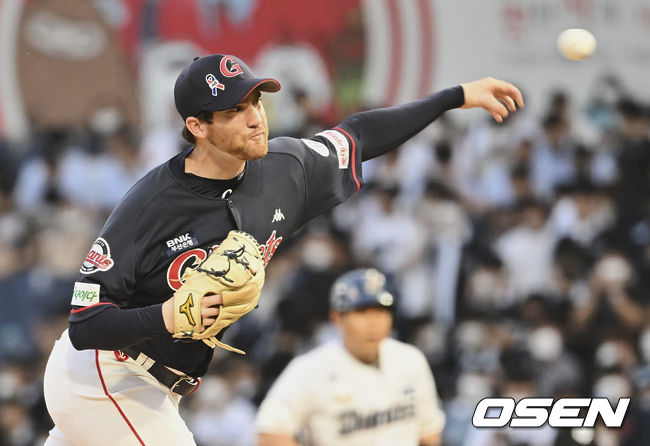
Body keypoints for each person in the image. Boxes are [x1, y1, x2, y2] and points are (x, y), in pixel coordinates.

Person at [42, 53, 523, 445]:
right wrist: (165, 317)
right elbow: (85, 325)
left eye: (256, 102)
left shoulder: (286, 168)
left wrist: (454, 97)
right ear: (198, 126)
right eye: (235, 111)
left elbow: (360, 135)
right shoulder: (147, 206)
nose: (255, 119)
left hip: (159, 387)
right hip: (106, 376)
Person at [255, 268, 446, 446]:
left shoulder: (411, 360)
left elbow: (429, 433)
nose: (373, 323)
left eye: (381, 311)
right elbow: (269, 432)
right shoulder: (310, 369)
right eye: (362, 312)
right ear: (337, 317)